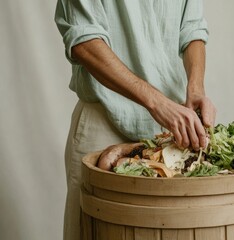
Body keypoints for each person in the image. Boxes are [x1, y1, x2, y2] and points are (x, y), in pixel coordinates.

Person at [54, 0, 216, 239]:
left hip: (171, 130)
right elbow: (84, 41)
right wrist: (157, 102)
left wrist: (196, 88)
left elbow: (192, 29)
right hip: (105, 119)